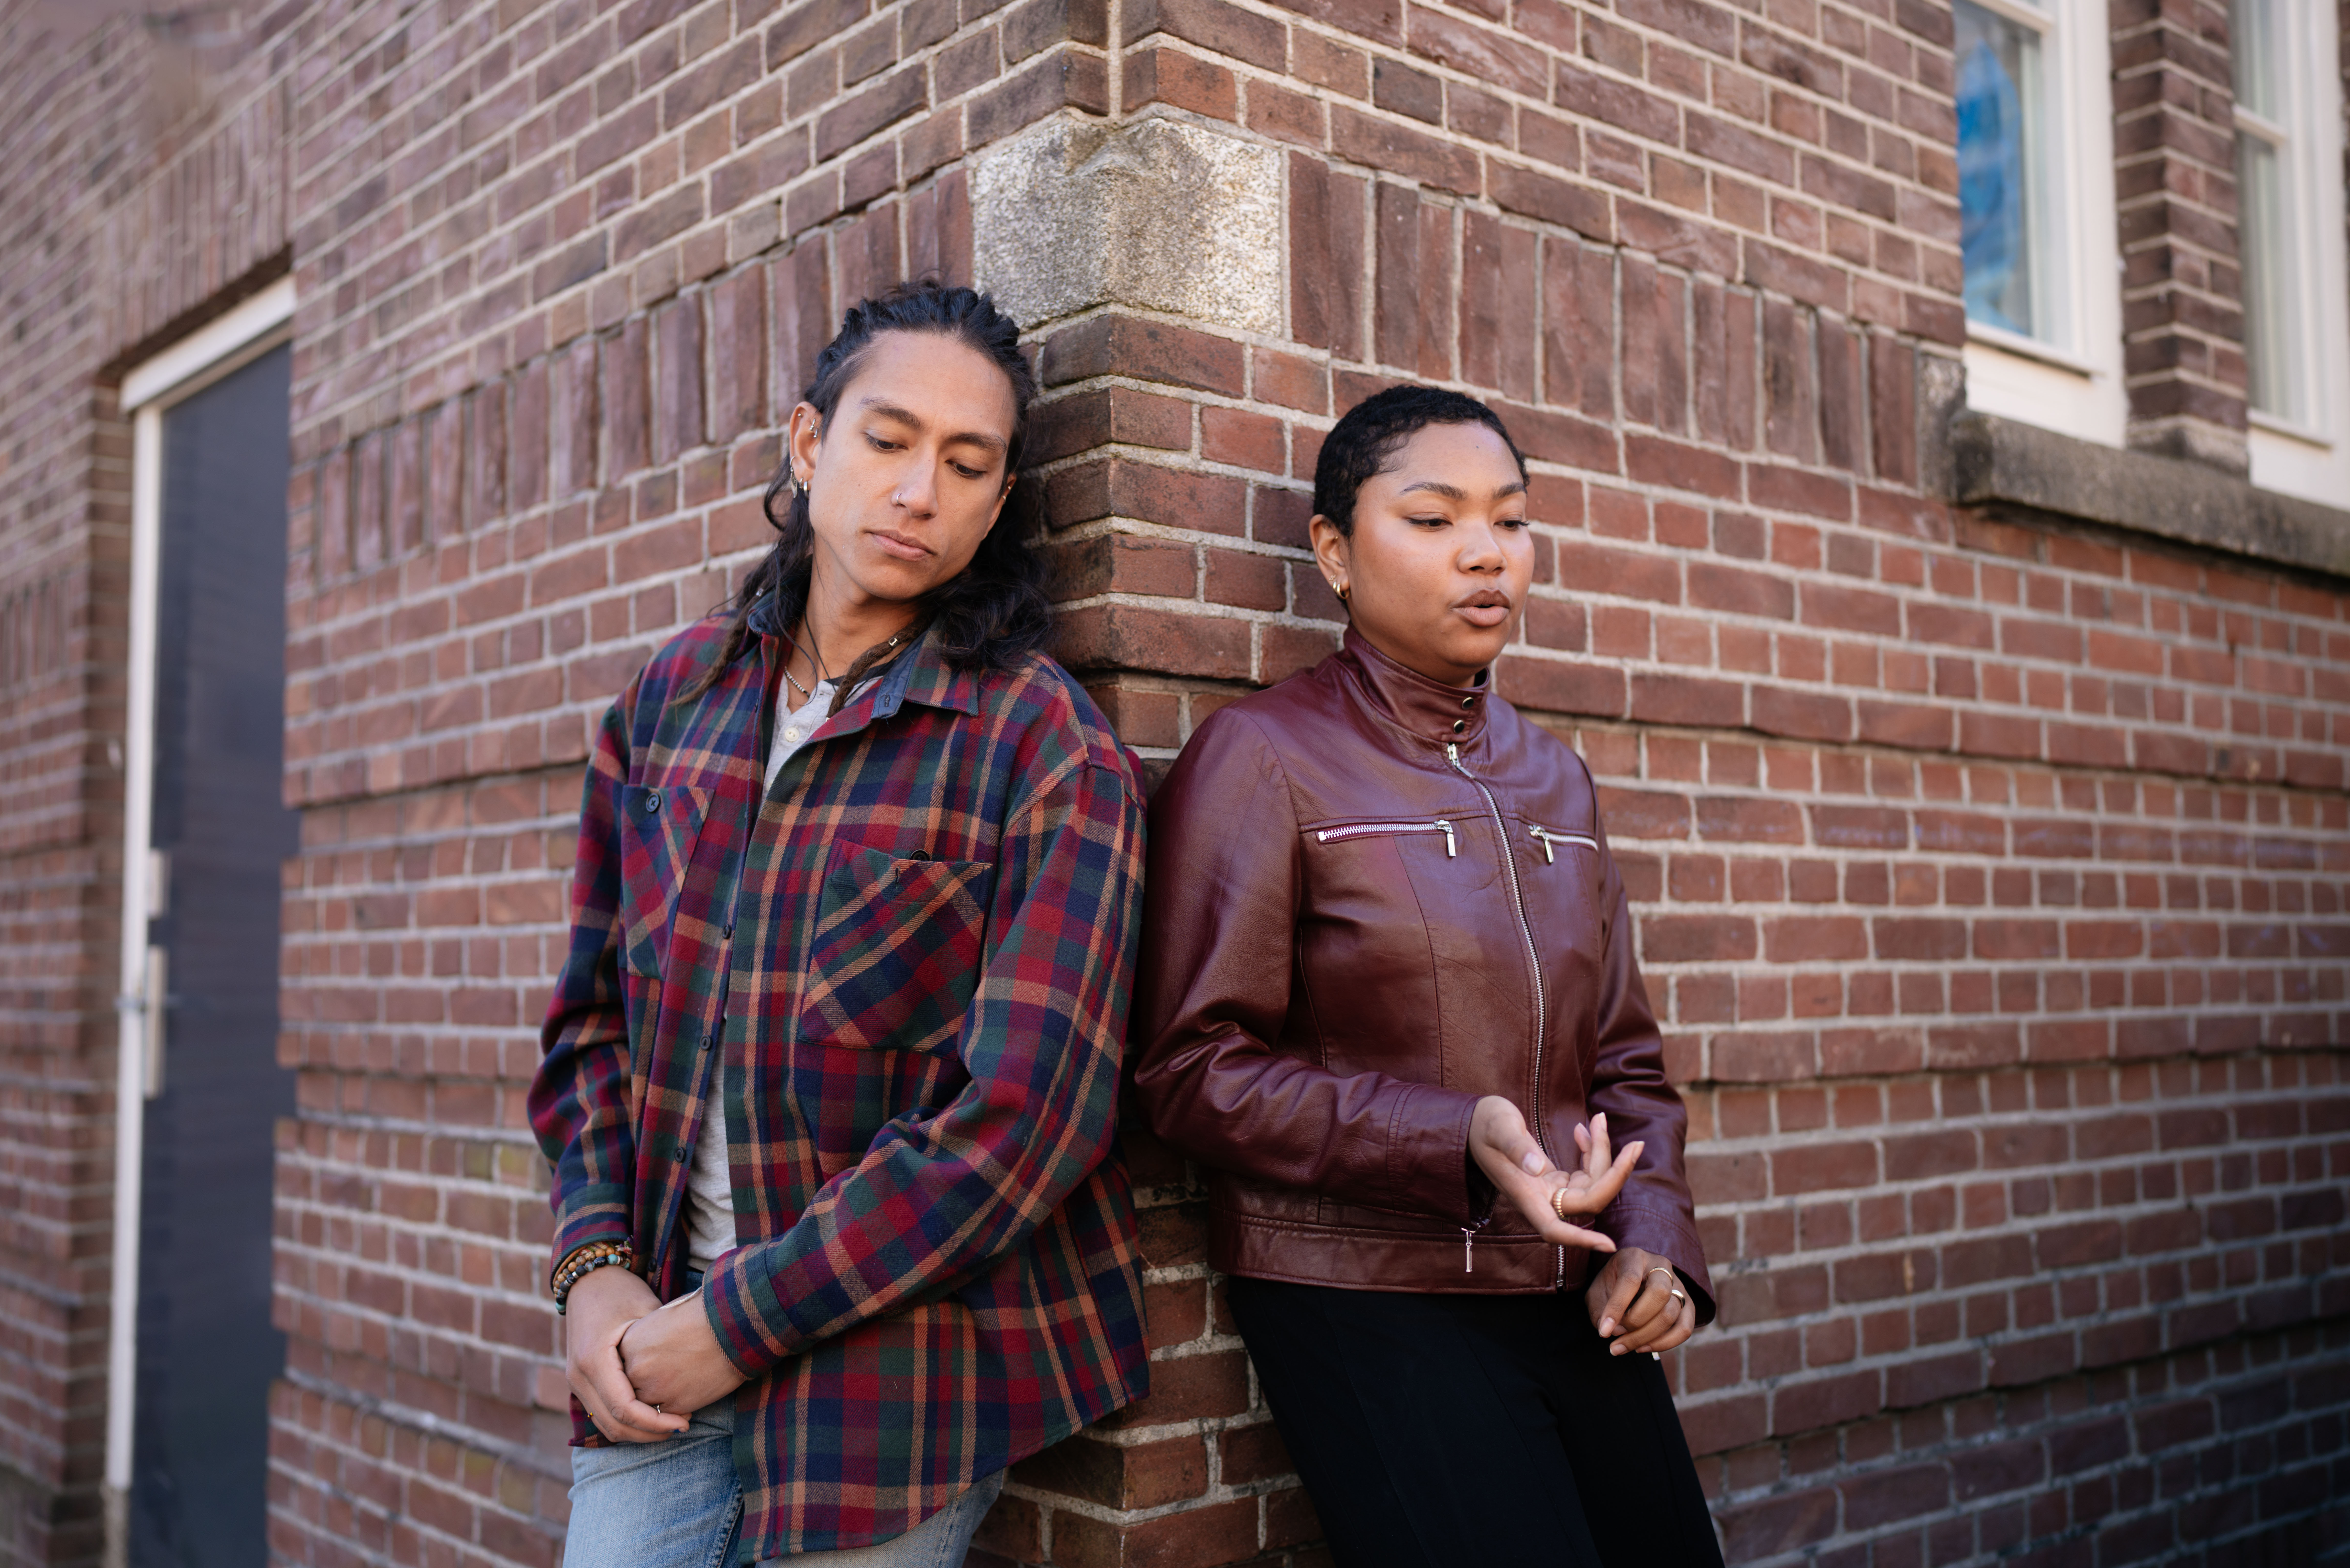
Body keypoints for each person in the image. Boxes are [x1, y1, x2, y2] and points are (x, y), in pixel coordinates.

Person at [529, 282, 1150, 1567]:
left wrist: (739, 1320)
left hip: (893, 1390)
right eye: (889, 439)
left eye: (966, 464)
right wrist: (592, 1267)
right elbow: (592, 1024)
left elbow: (1027, 1121)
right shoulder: (672, 702)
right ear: (811, 446)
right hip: (655, 1359)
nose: (921, 489)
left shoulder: (1043, 746)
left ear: (994, 504)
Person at [1132, 384, 1722, 1566]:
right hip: (1363, 1294)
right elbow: (1190, 1071)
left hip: (1571, 1289)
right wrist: (1455, 1136)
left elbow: (1625, 1062)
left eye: (1509, 521)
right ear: (1336, 555)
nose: (1484, 555)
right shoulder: (1263, 758)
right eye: (1434, 518)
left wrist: (1659, 1242)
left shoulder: (1556, 778)